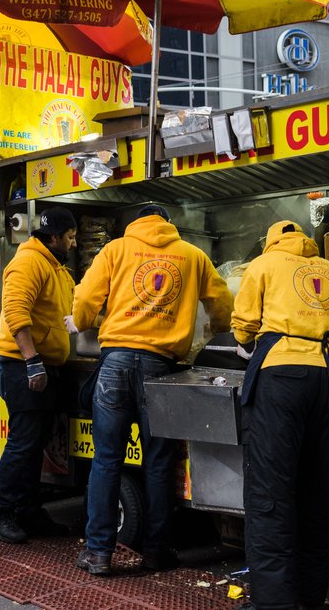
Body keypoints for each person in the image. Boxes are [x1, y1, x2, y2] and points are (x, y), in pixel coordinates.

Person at [72, 204, 233, 576]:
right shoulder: (192, 255)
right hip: (162, 370)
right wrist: (216, 327)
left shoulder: (115, 250)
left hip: (114, 366)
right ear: (168, 224)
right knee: (159, 462)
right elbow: (222, 303)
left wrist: (82, 322)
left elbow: (83, 305)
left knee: (107, 459)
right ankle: (158, 552)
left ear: (135, 224)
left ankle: (98, 553)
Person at [232, 221, 329, 609]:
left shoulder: (262, 266)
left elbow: (243, 327)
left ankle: (275, 603)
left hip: (282, 379)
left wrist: (253, 340)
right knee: (319, 493)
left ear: (272, 240)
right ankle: (310, 599)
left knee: (271, 494)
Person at [0, 207, 76, 545]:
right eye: (69, 237)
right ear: (54, 237)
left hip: (42, 364)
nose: (73, 242)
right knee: (23, 442)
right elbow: (15, 312)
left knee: (35, 443)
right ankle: (1, 512)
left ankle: (27, 510)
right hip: (20, 364)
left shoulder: (54, 267)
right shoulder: (28, 262)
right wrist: (32, 361)